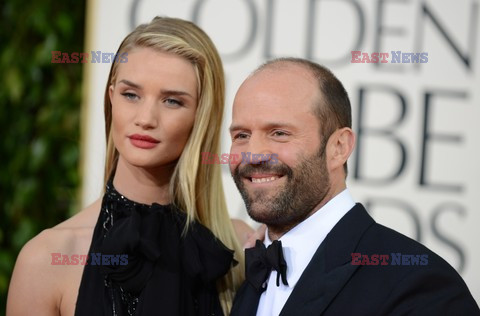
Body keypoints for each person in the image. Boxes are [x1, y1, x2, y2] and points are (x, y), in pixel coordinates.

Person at [7, 16, 256, 316]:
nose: (146, 118)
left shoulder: (236, 250)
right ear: (111, 98)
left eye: (172, 101)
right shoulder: (47, 258)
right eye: (131, 95)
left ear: (202, 116)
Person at [228, 57, 480, 315]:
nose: (253, 154)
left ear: (339, 148)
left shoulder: (419, 284)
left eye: (279, 133)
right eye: (241, 135)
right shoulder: (235, 274)